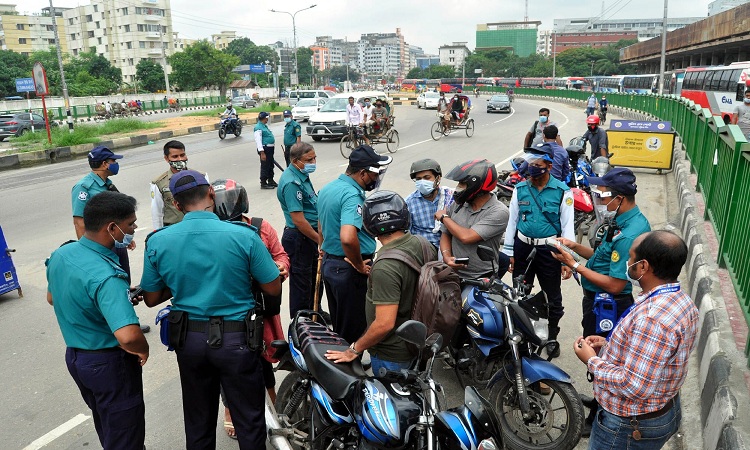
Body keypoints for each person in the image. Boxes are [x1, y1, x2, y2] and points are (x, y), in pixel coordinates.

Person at [140, 170, 281, 450]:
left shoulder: (158, 240)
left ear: (177, 205)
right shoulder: (244, 236)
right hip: (237, 342)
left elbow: (152, 297)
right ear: (211, 195)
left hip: (189, 342)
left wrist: (183, 282)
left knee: (198, 421)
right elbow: (273, 288)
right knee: (250, 422)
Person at [572, 231, 698, 449]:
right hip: (661, 408)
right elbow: (662, 355)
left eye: (630, 258)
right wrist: (611, 346)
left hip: (628, 426)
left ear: (643, 267)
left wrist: (591, 361)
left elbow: (634, 386)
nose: (627, 263)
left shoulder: (652, 319)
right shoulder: (681, 301)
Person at [552, 167, 650, 435]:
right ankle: (597, 400)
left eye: (606, 197)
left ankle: (598, 417)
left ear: (621, 198)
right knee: (598, 353)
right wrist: (573, 247)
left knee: (603, 358)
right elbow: (600, 255)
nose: (602, 202)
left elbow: (618, 283)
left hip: (609, 303)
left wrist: (574, 266)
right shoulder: (619, 222)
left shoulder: (630, 232)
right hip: (596, 299)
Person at [47, 191, 148, 450]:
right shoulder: (107, 275)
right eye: (130, 225)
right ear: (112, 228)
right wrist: (142, 349)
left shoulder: (63, 253)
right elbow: (128, 336)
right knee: (126, 438)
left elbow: (52, 297)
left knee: (107, 425)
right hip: (109, 364)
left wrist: (114, 304)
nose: (134, 229)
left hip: (78, 359)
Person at [325, 191, 436, 373]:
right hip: (418, 340)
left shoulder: (385, 267)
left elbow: (384, 324)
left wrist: (353, 350)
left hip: (392, 355)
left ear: (369, 225)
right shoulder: (422, 243)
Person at [212, 178, 289, 439]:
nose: (228, 206)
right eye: (222, 201)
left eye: (233, 200)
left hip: (260, 308)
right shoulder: (210, 231)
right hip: (224, 311)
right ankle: (230, 408)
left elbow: (280, 255)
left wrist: (280, 267)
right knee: (227, 364)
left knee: (263, 357)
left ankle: (272, 401)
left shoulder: (259, 227)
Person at [502, 146, 574, 357]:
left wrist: (566, 259)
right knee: (519, 293)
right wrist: (509, 252)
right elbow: (511, 222)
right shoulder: (520, 189)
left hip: (549, 250)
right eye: (530, 166)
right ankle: (522, 335)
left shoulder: (562, 191)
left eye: (537, 166)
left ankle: (551, 336)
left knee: (552, 297)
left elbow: (568, 227)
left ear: (549, 167)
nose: (532, 170)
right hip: (523, 247)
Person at [318, 145, 392, 343]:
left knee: (340, 321)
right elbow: (348, 237)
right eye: (374, 174)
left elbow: (321, 224)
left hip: (331, 263)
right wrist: (359, 265)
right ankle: (349, 368)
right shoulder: (352, 195)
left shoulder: (329, 188)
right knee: (353, 327)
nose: (375, 179)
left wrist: (322, 247)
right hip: (349, 269)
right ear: (362, 173)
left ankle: (341, 364)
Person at [71, 146, 149, 333]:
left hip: (116, 242)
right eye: (113, 161)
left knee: (123, 282)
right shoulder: (84, 187)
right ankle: (112, 327)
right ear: (105, 163)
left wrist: (126, 237)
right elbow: (79, 223)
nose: (116, 164)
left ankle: (129, 323)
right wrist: (89, 254)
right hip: (99, 248)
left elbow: (120, 217)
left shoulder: (108, 185)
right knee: (108, 286)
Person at [437, 159, 509, 278]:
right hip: (455, 274)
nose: (458, 188)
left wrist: (444, 217)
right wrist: (447, 256)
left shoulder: (499, 212)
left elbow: (467, 237)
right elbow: (446, 233)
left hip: (482, 277)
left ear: (475, 186)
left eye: (462, 184)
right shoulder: (459, 205)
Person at [277, 142, 321, 317]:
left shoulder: (301, 175)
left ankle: (315, 312)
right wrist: (320, 240)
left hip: (309, 235)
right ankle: (301, 322)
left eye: (314, 157)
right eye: (309, 159)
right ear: (296, 161)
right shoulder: (292, 183)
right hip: (300, 237)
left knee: (314, 279)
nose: (313, 162)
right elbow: (299, 220)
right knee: (301, 284)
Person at [150, 140, 208, 230]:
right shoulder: (159, 183)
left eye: (182, 155)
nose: (180, 159)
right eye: (175, 156)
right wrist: (158, 232)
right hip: (174, 230)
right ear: (166, 158)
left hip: (200, 227)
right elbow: (157, 213)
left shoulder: (201, 177)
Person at [404, 159, 454, 249]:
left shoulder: (450, 197)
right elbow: (406, 233)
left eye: (427, 178)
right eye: (418, 179)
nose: (422, 182)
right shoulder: (409, 203)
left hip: (451, 246)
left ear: (438, 178)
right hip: (424, 250)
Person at [254, 111, 277, 189]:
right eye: (266, 118)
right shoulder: (258, 127)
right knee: (265, 166)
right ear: (264, 118)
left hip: (269, 149)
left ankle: (271, 180)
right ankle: (263, 183)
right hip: (265, 149)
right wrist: (262, 153)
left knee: (270, 165)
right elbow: (258, 141)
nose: (267, 120)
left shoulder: (264, 126)